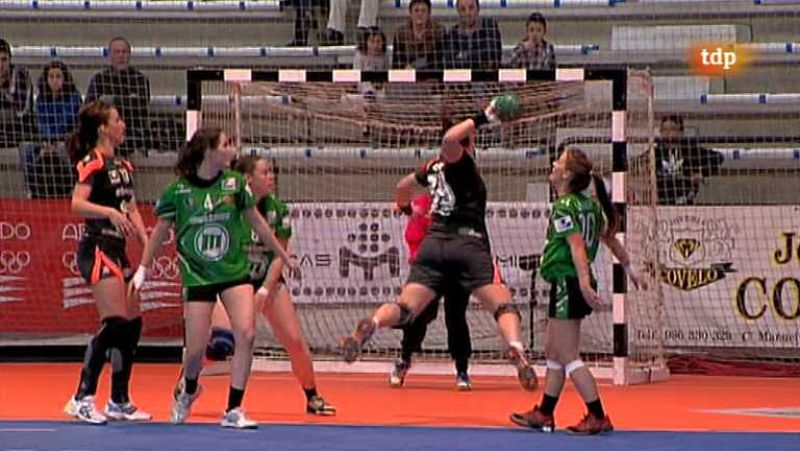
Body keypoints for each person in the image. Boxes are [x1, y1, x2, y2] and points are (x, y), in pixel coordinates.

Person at [340, 98, 537, 393]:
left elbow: (402, 186)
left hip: (433, 247)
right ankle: (517, 349)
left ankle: (375, 322)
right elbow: (450, 140)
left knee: (406, 309)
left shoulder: (430, 168)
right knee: (503, 306)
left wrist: (404, 207)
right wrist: (485, 117)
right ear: (467, 141)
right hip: (468, 245)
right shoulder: (460, 161)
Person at [132, 127, 298, 429]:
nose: (232, 149)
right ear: (209, 151)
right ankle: (189, 388)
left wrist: (284, 257)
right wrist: (143, 267)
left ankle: (234, 409)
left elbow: (259, 225)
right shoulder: (178, 191)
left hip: (234, 273)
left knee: (246, 333)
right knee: (195, 353)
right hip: (197, 277)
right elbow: (158, 233)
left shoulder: (234, 184)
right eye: (226, 144)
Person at [509, 147, 645, 435]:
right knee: (553, 350)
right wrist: (630, 268)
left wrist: (583, 282)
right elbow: (609, 239)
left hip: (568, 281)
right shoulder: (589, 205)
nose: (553, 163)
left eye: (558, 161)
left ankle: (597, 416)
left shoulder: (565, 206)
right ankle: (545, 413)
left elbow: (576, 246)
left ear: (567, 174)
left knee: (569, 354)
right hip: (570, 281)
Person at [205, 155, 336, 416]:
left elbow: (281, 254)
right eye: (265, 172)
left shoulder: (278, 209)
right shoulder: (227, 208)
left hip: (269, 279)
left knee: (295, 341)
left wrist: (264, 289)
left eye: (272, 172)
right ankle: (187, 383)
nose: (271, 177)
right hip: (234, 279)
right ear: (248, 179)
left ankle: (312, 396)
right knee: (217, 342)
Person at [62, 100, 151, 425]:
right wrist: (109, 212)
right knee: (114, 322)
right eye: (118, 119)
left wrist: (146, 243)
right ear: (103, 128)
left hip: (118, 248)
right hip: (97, 246)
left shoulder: (124, 166)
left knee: (133, 323)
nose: (123, 123)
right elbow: (76, 203)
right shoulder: (92, 161)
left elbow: (132, 208)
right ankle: (82, 397)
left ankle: (119, 399)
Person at [391, 191, 473, 390]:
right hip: (427, 269)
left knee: (456, 317)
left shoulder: (464, 201)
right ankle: (404, 360)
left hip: (456, 266)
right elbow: (413, 235)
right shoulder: (423, 200)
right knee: (417, 315)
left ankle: (462, 370)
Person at [84, 37, 150, 155]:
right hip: (104, 132)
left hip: (131, 132)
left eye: (124, 52)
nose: (121, 55)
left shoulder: (140, 79)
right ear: (110, 55)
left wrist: (110, 101)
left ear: (129, 55)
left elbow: (141, 108)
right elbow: (90, 107)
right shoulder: (99, 79)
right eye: (116, 52)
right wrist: (127, 101)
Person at [655, 115, 724, 205]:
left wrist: (702, 174)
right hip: (662, 201)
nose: (668, 133)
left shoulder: (690, 149)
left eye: (672, 129)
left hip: (686, 199)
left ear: (681, 132)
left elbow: (717, 157)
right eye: (664, 129)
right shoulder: (656, 152)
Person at [442, 0, 502, 69]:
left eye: (471, 8)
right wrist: (477, 58)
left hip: (487, 77)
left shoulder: (489, 26)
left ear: (478, 9)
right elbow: (449, 63)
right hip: (461, 77)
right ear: (458, 12)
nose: (467, 13)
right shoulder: (453, 33)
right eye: (463, 9)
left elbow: (491, 56)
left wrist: (463, 55)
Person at [391, 0, 446, 70]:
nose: (419, 14)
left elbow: (439, 62)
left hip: (431, 76)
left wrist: (415, 66)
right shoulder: (400, 34)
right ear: (410, 14)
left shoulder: (439, 32)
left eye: (423, 11)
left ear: (429, 14)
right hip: (407, 76)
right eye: (416, 10)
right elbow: (397, 64)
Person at [36, 60, 82, 142]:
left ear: (65, 78)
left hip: (68, 140)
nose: (54, 80)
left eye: (58, 76)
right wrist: (48, 140)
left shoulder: (74, 98)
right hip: (46, 141)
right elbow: (41, 124)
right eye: (51, 77)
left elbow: (73, 124)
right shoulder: (41, 99)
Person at [0, 38, 35, 147]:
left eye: (4, 59)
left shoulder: (22, 76)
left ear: (10, 60)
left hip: (18, 131)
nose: (0, 65)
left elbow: (20, 110)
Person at [353, 27, 389, 96]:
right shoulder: (360, 56)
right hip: (363, 84)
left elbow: (386, 73)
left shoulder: (384, 57)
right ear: (366, 42)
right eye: (372, 41)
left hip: (379, 85)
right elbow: (357, 75)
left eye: (378, 42)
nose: (375, 45)